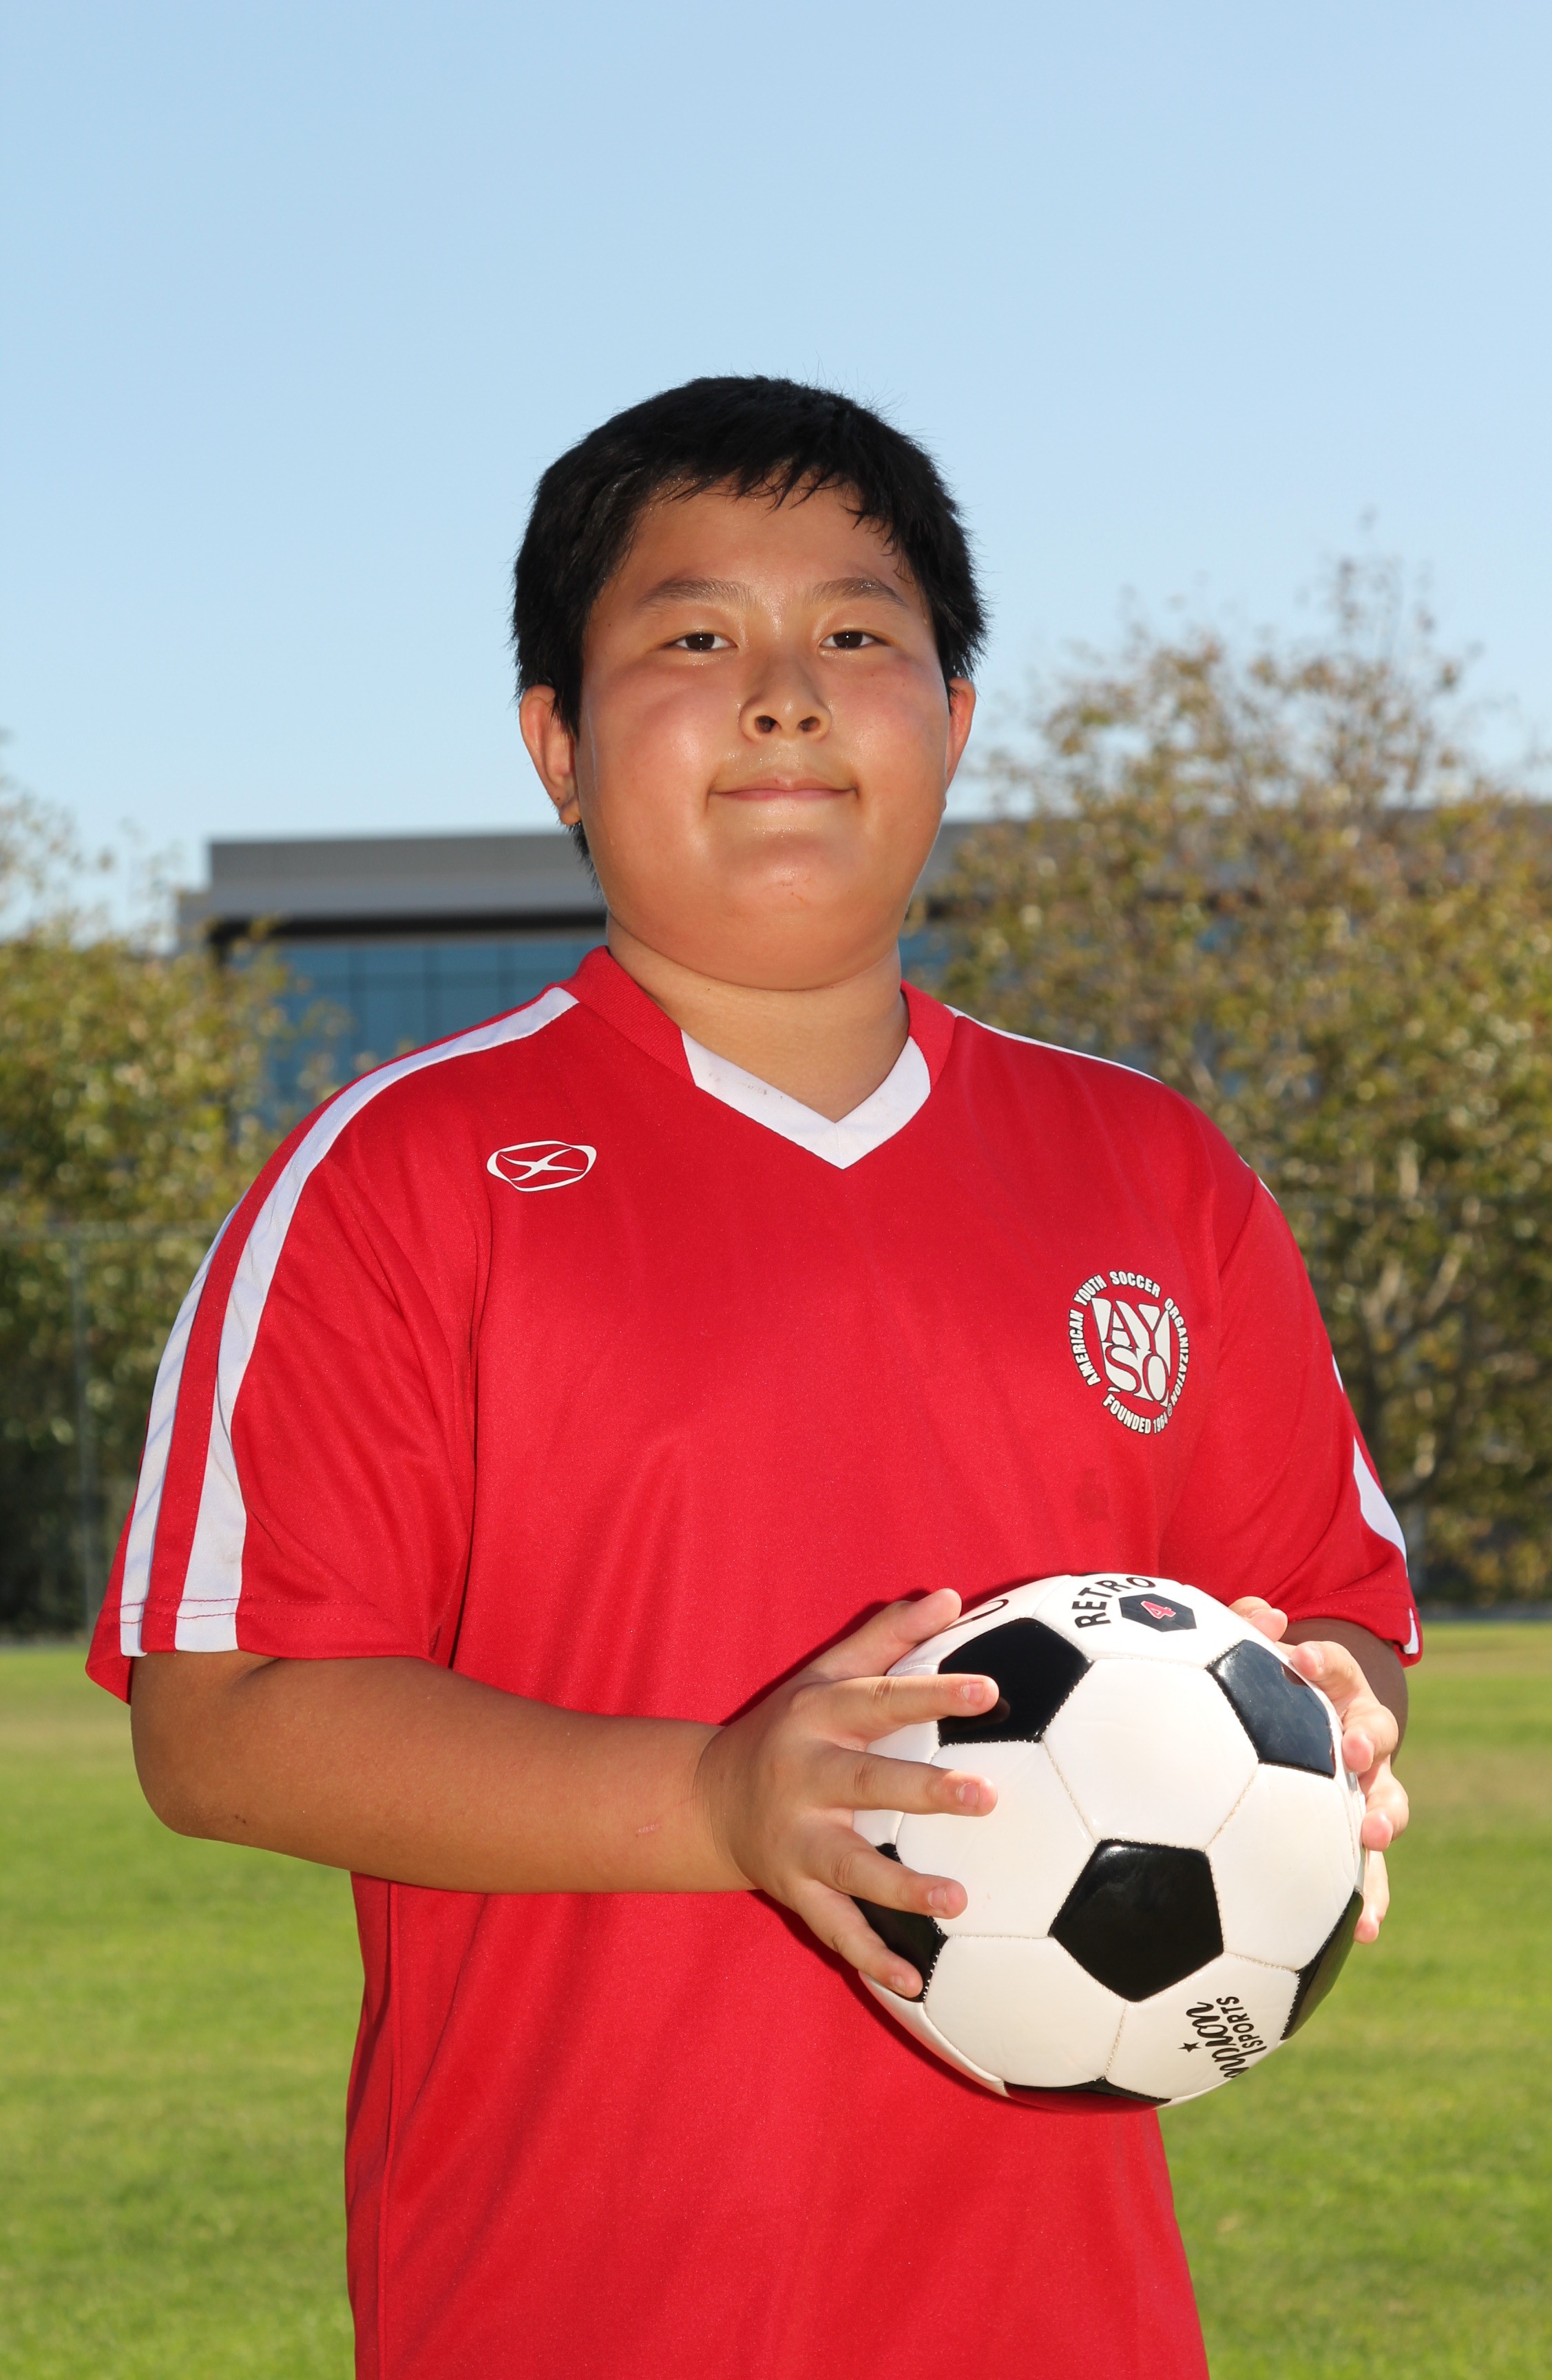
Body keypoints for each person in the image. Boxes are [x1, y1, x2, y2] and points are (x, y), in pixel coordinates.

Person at [89, 376, 1414, 2380]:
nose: (786, 697)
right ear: (556, 738)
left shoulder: (1157, 1172)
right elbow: (221, 1724)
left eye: (859, 635)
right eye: (696, 637)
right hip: (564, 2316)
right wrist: (718, 1799)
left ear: (954, 721)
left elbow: (1328, 1610)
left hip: (1072, 2331)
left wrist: (1330, 1720)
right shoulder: (395, 1176)